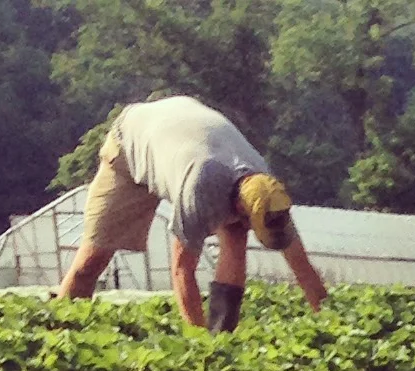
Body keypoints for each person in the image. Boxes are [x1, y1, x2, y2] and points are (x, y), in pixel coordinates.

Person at [57, 96, 328, 331]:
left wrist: (329, 319)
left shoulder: (266, 191)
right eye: (250, 222)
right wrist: (199, 343)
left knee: (236, 238)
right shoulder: (201, 186)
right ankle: (61, 330)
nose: (251, 228)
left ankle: (222, 333)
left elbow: (302, 266)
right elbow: (182, 270)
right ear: (240, 208)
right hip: (132, 142)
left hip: (184, 137)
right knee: (91, 261)